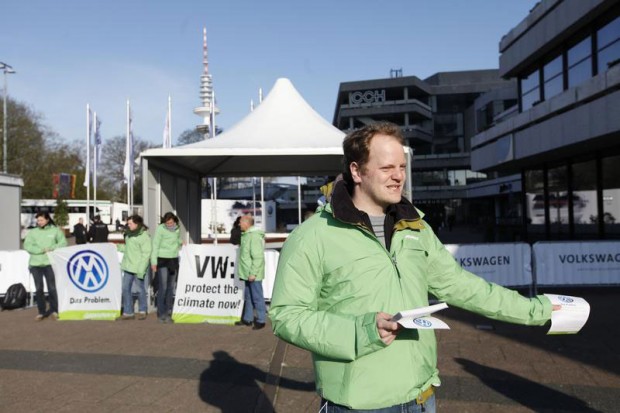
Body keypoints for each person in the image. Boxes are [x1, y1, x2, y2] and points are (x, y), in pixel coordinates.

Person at [269, 122, 558, 412]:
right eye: (386, 168)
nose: (398, 177)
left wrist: (538, 311)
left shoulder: (416, 227)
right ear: (356, 171)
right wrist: (360, 331)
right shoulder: (313, 236)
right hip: (359, 405)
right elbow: (287, 315)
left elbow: (463, 286)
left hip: (421, 398)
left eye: (402, 167)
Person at [23, 212, 67, 321]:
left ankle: (54, 310)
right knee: (39, 289)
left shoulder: (55, 230)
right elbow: (27, 245)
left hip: (50, 264)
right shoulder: (33, 232)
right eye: (38, 220)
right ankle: (41, 312)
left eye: (41, 220)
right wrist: (40, 250)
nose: (39, 222)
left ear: (47, 220)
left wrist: (52, 247)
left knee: (52, 288)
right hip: (35, 264)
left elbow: (63, 243)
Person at [117, 215, 151, 320]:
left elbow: (146, 253)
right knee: (125, 288)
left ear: (137, 224)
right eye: (128, 223)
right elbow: (129, 248)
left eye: (130, 223)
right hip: (128, 266)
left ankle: (142, 310)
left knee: (140, 289)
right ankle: (128, 312)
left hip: (138, 267)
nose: (128, 225)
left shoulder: (144, 236)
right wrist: (118, 247)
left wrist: (141, 269)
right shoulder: (128, 234)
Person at [235, 215, 266, 330]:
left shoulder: (253, 236)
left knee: (257, 297)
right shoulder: (247, 235)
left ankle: (261, 319)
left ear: (247, 223)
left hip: (253, 274)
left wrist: (253, 273)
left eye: (240, 222)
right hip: (247, 272)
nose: (239, 224)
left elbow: (258, 257)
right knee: (248, 296)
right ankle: (247, 319)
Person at [151, 212, 183, 323]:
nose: (169, 224)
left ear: (174, 221)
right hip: (162, 259)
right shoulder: (160, 229)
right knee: (163, 286)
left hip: (173, 259)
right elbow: (155, 244)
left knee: (171, 287)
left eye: (171, 222)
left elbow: (177, 240)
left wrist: (181, 242)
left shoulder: (177, 229)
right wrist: (153, 262)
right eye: (167, 223)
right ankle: (161, 312)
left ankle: (169, 310)